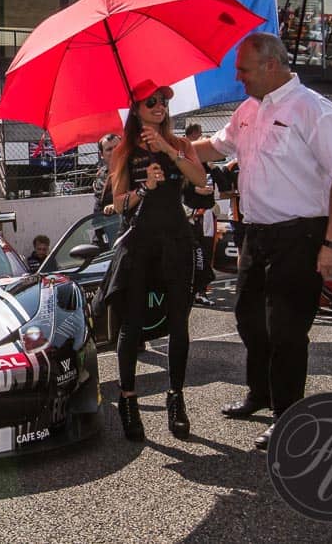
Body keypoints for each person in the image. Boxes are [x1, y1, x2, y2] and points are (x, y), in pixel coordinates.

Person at [191, 32, 332, 450]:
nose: (239, 78)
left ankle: (288, 414)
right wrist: (162, 145)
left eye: (243, 69)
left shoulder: (315, 110)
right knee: (249, 321)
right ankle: (260, 394)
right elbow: (214, 146)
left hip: (301, 235)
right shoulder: (248, 109)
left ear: (270, 65)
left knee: (287, 330)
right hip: (257, 234)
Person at [103, 80, 208, 442]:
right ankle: (128, 399)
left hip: (176, 242)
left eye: (163, 101)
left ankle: (176, 397)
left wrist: (167, 148)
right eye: (151, 102)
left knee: (179, 324)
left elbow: (200, 178)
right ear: (136, 109)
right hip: (140, 245)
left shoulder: (180, 144)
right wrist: (144, 187)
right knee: (131, 326)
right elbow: (117, 205)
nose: (160, 106)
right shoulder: (123, 151)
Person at [183, 123, 217, 307]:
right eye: (200, 136)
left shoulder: (207, 164)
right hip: (193, 215)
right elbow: (182, 187)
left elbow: (221, 185)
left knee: (206, 251)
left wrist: (215, 168)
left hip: (207, 214)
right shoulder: (184, 160)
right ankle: (195, 289)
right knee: (196, 252)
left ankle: (201, 289)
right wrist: (196, 189)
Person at [93, 134, 121, 216]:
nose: (114, 151)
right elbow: (100, 203)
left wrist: (119, 205)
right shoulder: (101, 175)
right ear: (101, 154)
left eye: (117, 147)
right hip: (106, 223)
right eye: (109, 149)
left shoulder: (133, 169)